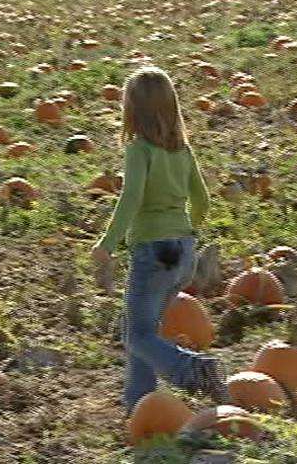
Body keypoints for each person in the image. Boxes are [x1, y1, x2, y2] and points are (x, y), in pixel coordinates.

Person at [90, 66, 229, 414]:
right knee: (145, 332)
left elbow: (131, 198)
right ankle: (139, 404)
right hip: (183, 253)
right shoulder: (182, 150)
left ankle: (194, 370)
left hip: (153, 252)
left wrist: (107, 244)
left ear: (132, 109)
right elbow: (202, 201)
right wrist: (185, 234)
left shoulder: (139, 149)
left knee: (136, 335)